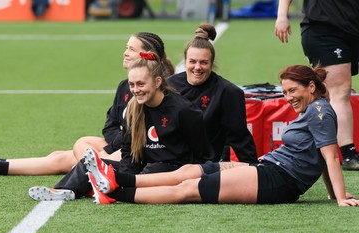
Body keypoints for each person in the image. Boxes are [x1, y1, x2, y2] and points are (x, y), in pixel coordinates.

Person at [86, 64, 359, 207]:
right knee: (191, 171)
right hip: (267, 167)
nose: (287, 98)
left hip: (278, 180)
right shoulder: (314, 110)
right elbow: (321, 158)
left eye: (292, 91)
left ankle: (115, 194)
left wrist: (340, 197)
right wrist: (334, 193)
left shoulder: (321, 112)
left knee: (188, 190)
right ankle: (115, 178)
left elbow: (329, 157)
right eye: (285, 92)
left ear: (311, 86)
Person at [0, 32, 174, 176]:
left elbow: (152, 131)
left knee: (72, 155)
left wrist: (116, 149)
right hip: (122, 146)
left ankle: (96, 174)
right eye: (126, 47)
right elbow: (109, 126)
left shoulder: (152, 90)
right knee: (64, 154)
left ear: (147, 56)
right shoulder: (123, 87)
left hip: (140, 151)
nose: (125, 52)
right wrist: (114, 145)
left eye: (131, 49)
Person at [28, 51, 215, 201]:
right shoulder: (134, 108)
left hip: (172, 170)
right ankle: (64, 191)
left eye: (141, 84)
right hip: (142, 167)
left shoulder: (183, 110)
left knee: (150, 171)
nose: (135, 90)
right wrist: (122, 174)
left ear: (158, 82)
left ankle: (106, 189)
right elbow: (128, 152)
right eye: (132, 84)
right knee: (90, 163)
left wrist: (190, 179)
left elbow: (202, 154)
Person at [275, 0, 359, 170]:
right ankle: (349, 154)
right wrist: (282, 15)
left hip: (353, 27)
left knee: (339, 91)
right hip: (324, 27)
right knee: (339, 91)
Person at [168, 23, 257, 162]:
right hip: (167, 160)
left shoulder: (227, 92)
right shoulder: (169, 86)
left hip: (203, 166)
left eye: (204, 62)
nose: (197, 67)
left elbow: (240, 139)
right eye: (192, 61)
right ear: (185, 61)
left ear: (212, 63)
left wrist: (253, 170)